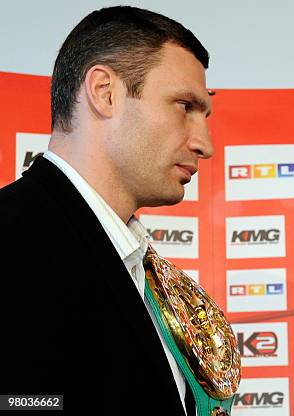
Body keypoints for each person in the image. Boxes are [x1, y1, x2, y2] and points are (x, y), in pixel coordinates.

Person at [0, 6, 239, 415]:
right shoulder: (10, 240)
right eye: (185, 106)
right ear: (105, 92)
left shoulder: (137, 264)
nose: (205, 144)